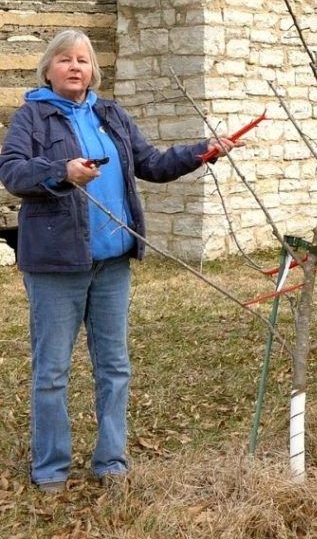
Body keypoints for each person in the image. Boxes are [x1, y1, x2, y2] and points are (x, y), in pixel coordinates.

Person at [0, 29, 240, 492]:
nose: (76, 67)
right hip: (55, 265)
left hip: (112, 265)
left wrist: (204, 151)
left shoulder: (110, 114)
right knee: (51, 370)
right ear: (48, 69)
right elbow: (11, 172)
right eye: (66, 60)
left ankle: (111, 461)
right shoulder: (33, 117)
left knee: (114, 366)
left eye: (84, 60)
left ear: (94, 70)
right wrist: (60, 171)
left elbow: (150, 163)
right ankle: (51, 468)